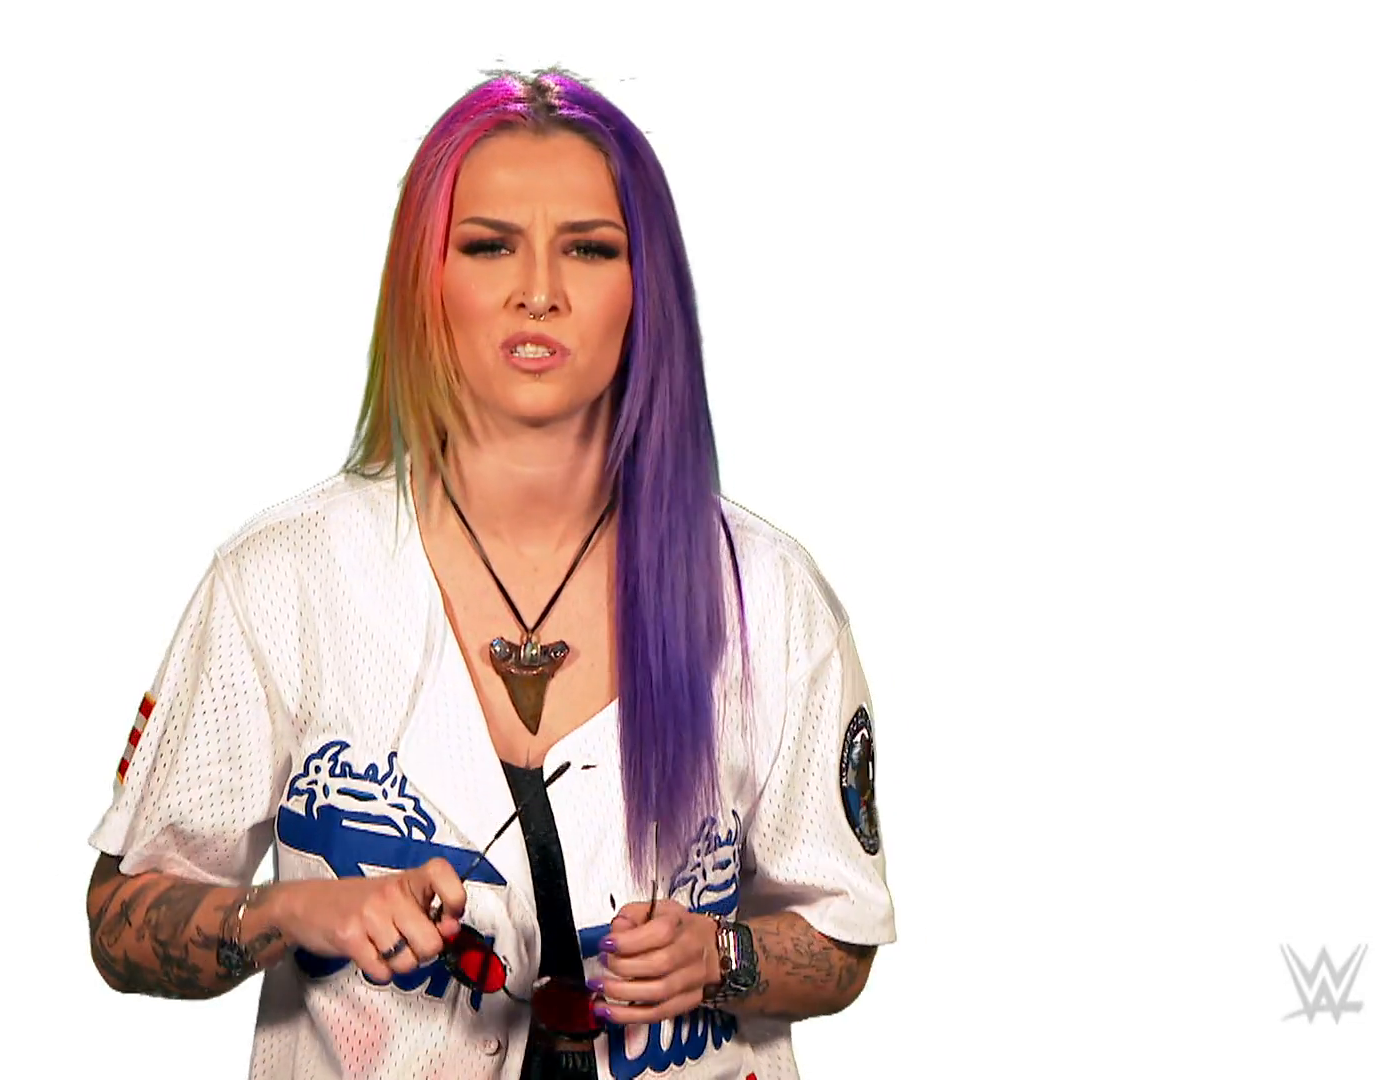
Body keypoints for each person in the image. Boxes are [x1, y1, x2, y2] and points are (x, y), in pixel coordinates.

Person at [84, 67, 895, 1080]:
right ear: (425, 279)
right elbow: (119, 920)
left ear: (647, 289)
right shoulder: (283, 580)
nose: (538, 291)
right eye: (488, 245)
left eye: (590, 248)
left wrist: (720, 955)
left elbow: (844, 935)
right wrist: (293, 909)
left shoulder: (765, 597)